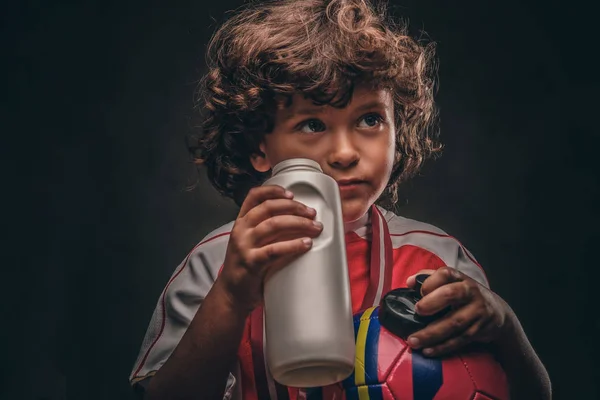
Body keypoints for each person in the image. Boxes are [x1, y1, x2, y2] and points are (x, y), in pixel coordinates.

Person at [129, 1, 551, 399]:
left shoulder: (436, 258)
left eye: (370, 119)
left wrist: (505, 327)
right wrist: (230, 296)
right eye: (312, 124)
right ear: (259, 147)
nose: (346, 152)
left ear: (397, 128)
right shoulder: (218, 261)